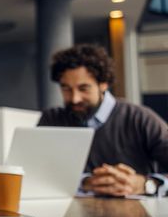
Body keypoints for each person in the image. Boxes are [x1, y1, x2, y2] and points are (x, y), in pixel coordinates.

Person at [38, 44, 168, 197]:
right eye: (66, 88)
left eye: (83, 88)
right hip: (69, 216)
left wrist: (146, 184)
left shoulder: (140, 118)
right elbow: (38, 174)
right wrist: (85, 182)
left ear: (104, 84)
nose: (74, 98)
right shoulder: (51, 120)